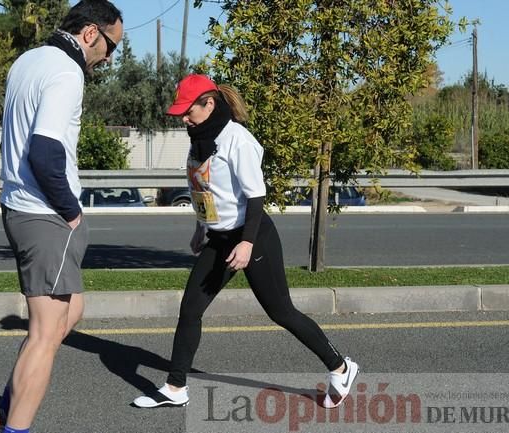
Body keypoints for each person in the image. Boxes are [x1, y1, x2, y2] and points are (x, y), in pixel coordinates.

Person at [133, 74, 359, 409]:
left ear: (209, 104)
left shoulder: (238, 140)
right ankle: (176, 387)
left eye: (187, 110)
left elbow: (256, 197)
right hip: (220, 237)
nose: (183, 118)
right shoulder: (200, 138)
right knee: (190, 308)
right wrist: (201, 227)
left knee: (281, 312)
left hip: (252, 237)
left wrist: (247, 243)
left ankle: (341, 367)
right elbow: (205, 188)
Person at [0, 2, 123, 433]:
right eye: (112, 45)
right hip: (46, 215)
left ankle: (5, 407)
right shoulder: (66, 71)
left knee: (69, 312)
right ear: (90, 33)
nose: (111, 57)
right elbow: (44, 150)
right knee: (45, 335)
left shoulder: (29, 60)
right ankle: (11, 425)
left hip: (20, 206)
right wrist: (71, 210)